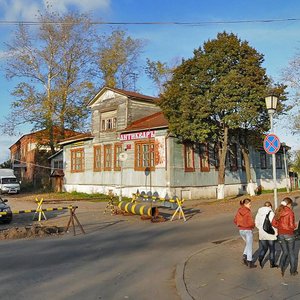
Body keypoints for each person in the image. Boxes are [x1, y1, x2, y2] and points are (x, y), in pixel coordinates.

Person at [272, 197, 298, 276]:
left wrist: (279, 227)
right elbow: (291, 226)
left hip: (280, 235)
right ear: (289, 204)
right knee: (291, 253)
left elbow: (273, 223)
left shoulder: (278, 210)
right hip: (289, 234)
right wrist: (295, 225)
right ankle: (293, 271)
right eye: (291, 205)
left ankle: (281, 267)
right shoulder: (290, 212)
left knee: (285, 252)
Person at [234, 198, 257, 268]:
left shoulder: (239, 210)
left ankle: (244, 256)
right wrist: (253, 225)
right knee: (250, 246)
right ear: (245, 204)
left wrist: (239, 224)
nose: (250, 205)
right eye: (249, 204)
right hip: (248, 230)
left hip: (241, 230)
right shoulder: (248, 212)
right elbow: (250, 222)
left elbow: (235, 220)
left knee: (247, 243)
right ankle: (249, 261)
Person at [255, 201, 278, 268]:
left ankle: (260, 259)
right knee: (272, 249)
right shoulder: (271, 213)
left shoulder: (259, 212)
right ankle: (272, 264)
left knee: (264, 248)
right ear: (270, 206)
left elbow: (256, 222)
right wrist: (276, 232)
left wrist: (260, 228)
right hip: (270, 233)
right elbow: (273, 224)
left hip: (262, 233)